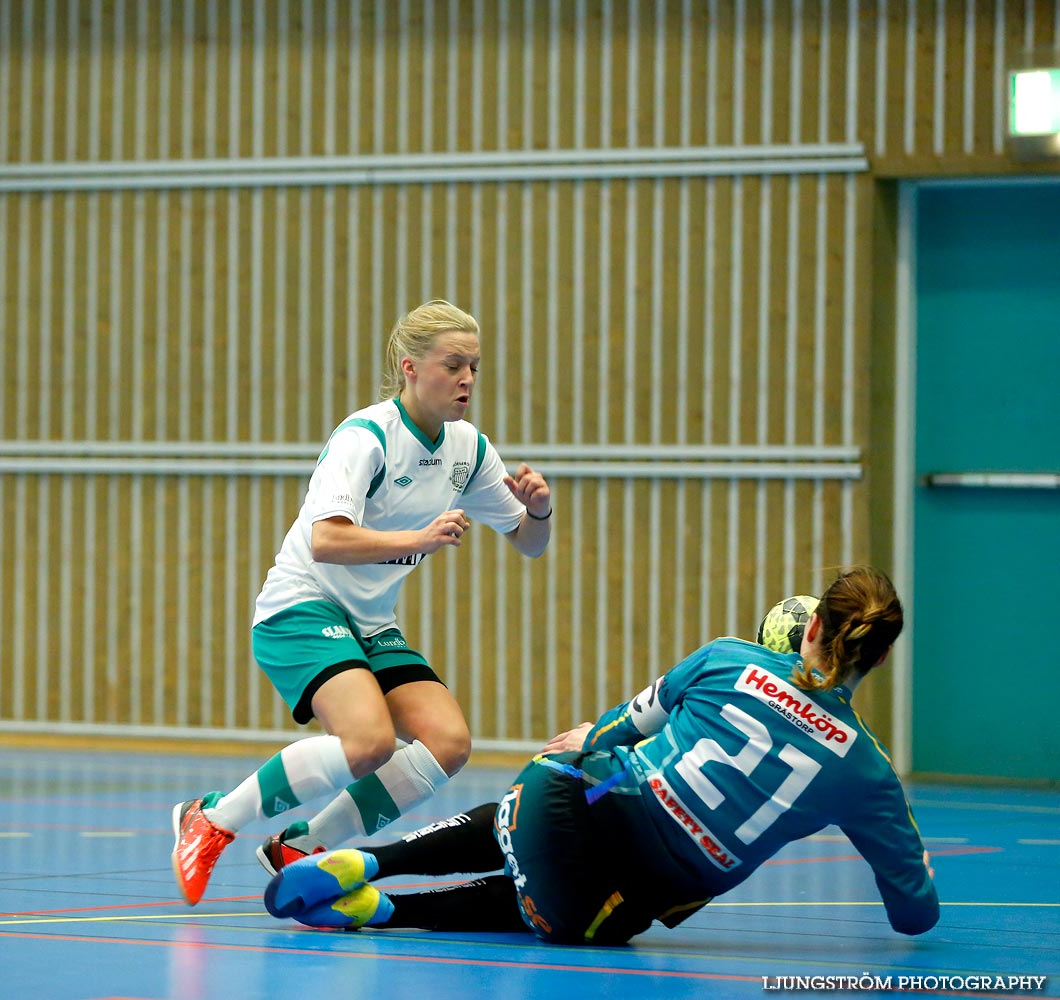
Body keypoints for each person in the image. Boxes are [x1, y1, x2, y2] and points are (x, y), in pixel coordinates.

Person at [263, 566, 940, 943]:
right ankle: (386, 912)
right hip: (602, 906)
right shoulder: (867, 771)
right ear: (879, 658)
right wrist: (917, 866)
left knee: (579, 797)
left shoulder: (728, 658)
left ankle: (370, 862)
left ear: (809, 628)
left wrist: (594, 742)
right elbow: (915, 917)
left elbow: (611, 731)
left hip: (560, 794)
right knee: (582, 897)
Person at [170, 300, 555, 905]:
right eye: (453, 364)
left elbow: (529, 545)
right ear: (410, 367)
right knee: (368, 742)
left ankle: (301, 844)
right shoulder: (366, 437)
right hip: (302, 607)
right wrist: (419, 539)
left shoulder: (469, 449)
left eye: (474, 367)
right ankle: (213, 817)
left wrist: (538, 510)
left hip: (371, 622)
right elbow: (326, 540)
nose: (467, 380)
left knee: (448, 743)